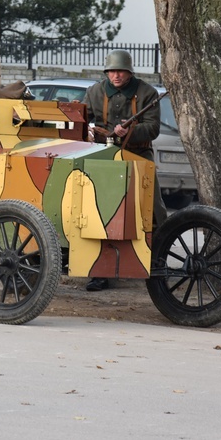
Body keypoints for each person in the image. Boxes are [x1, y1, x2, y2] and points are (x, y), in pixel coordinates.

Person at [82, 49, 168, 291]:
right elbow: (80, 117)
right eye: (112, 71)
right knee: (97, 211)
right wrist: (85, 131)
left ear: (129, 72)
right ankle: (99, 271)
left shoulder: (147, 93)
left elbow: (153, 129)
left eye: (120, 71)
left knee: (154, 210)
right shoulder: (95, 91)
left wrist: (129, 130)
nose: (116, 76)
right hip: (103, 157)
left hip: (138, 155)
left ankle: (157, 264)